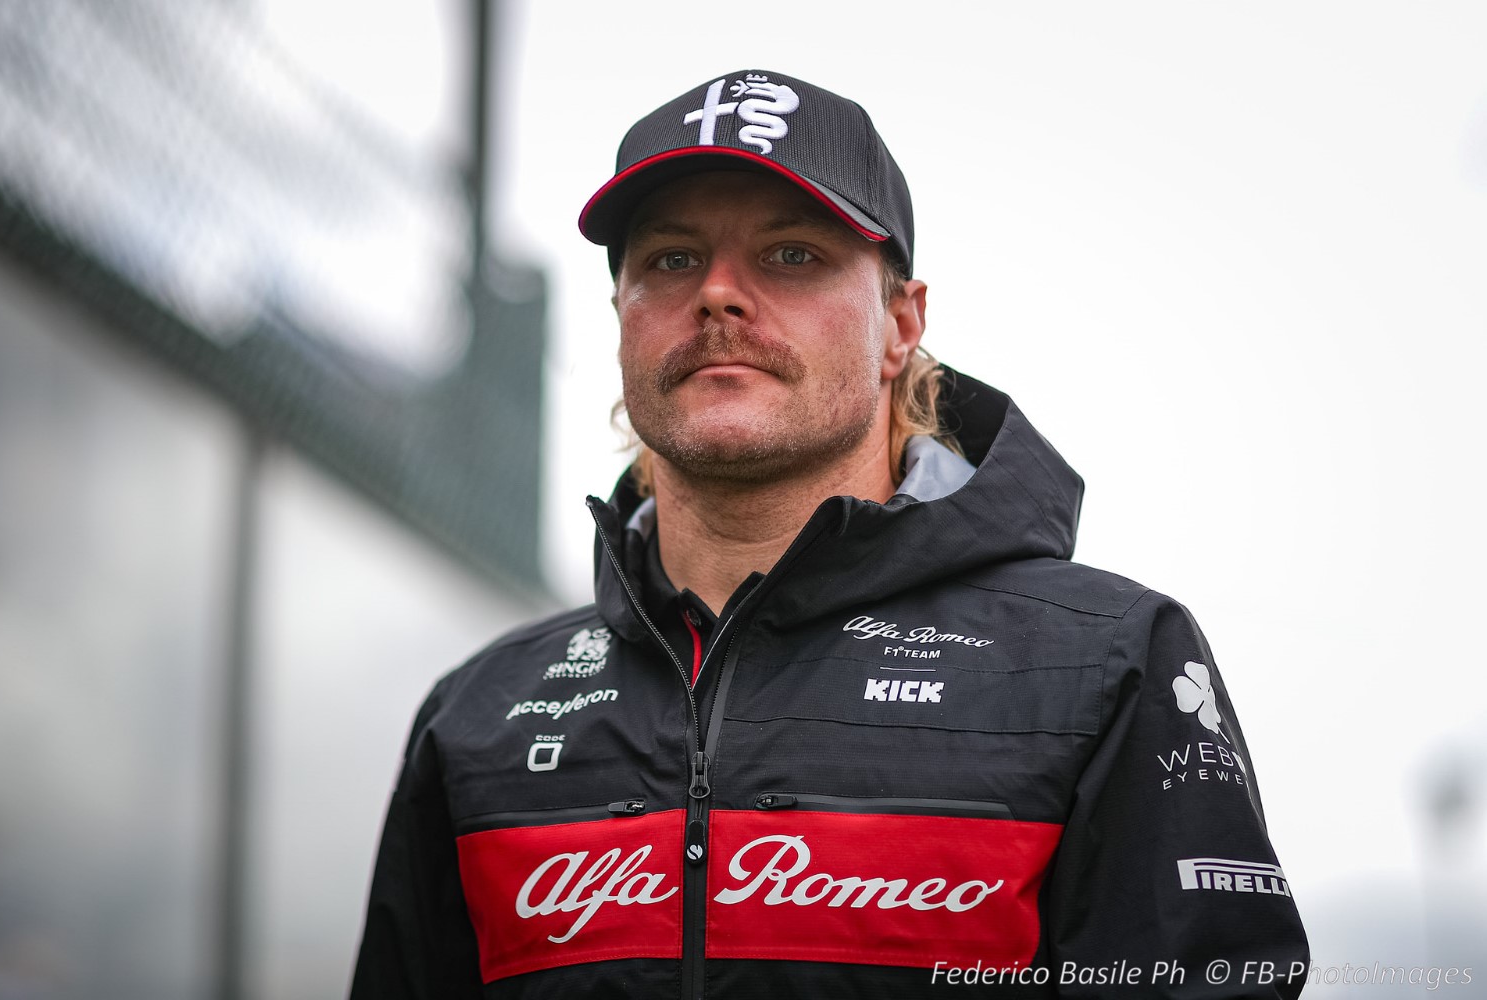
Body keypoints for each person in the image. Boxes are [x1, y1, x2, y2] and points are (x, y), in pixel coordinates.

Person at [350, 69, 1308, 999]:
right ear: (621, 320)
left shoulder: (1110, 666)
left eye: (791, 255)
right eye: (672, 259)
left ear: (900, 325)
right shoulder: (474, 719)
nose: (718, 294)